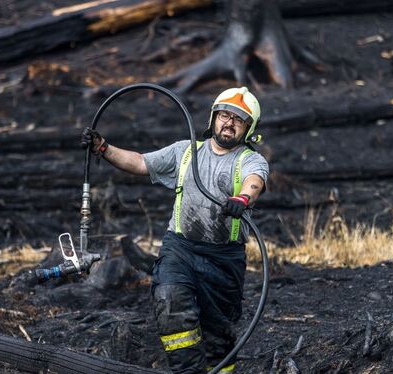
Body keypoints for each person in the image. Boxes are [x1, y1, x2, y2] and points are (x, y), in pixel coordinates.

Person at [81, 87, 269, 373]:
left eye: (238, 120)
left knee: (218, 338)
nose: (228, 123)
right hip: (180, 249)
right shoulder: (185, 152)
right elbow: (141, 162)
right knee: (170, 300)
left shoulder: (249, 160)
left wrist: (242, 198)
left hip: (224, 259)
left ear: (248, 128)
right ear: (213, 118)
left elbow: (254, 182)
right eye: (224, 115)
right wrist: (103, 148)